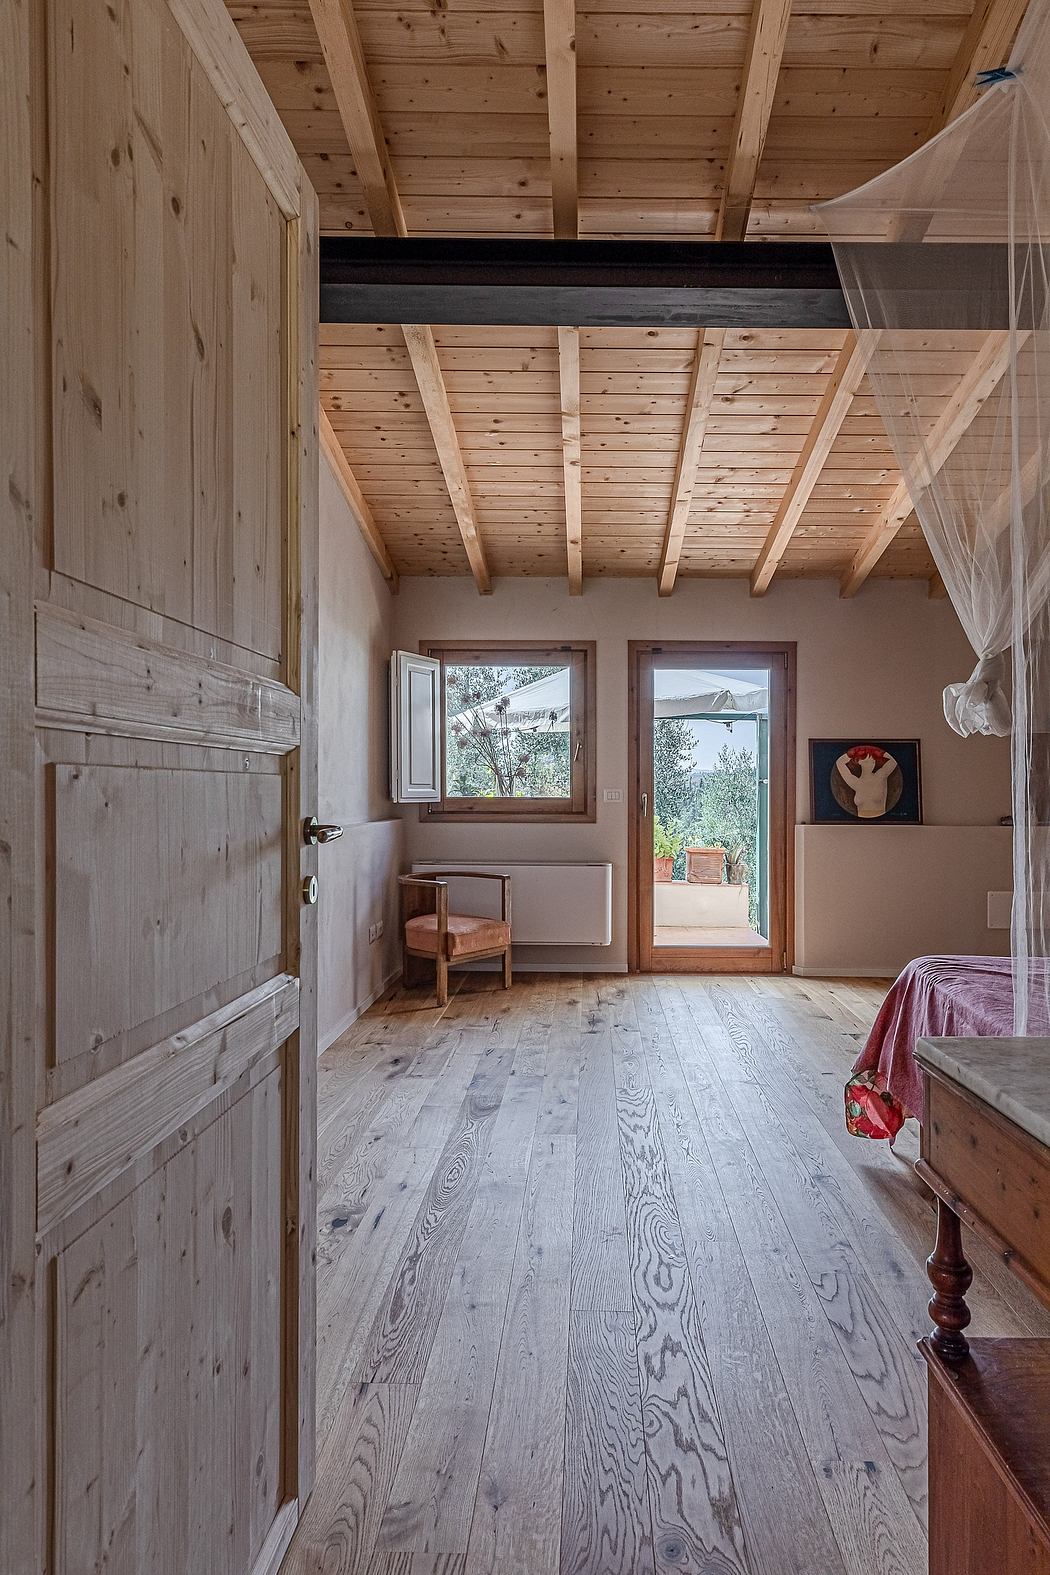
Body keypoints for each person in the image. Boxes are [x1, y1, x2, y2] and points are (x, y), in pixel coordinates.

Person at [835, 744, 897, 819]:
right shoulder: (855, 782)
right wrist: (850, 754)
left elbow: (894, 762)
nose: (871, 765)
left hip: (881, 823)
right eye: (867, 762)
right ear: (859, 761)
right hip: (860, 824)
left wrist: (882, 752)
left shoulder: (880, 776)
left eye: (873, 762)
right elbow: (839, 763)